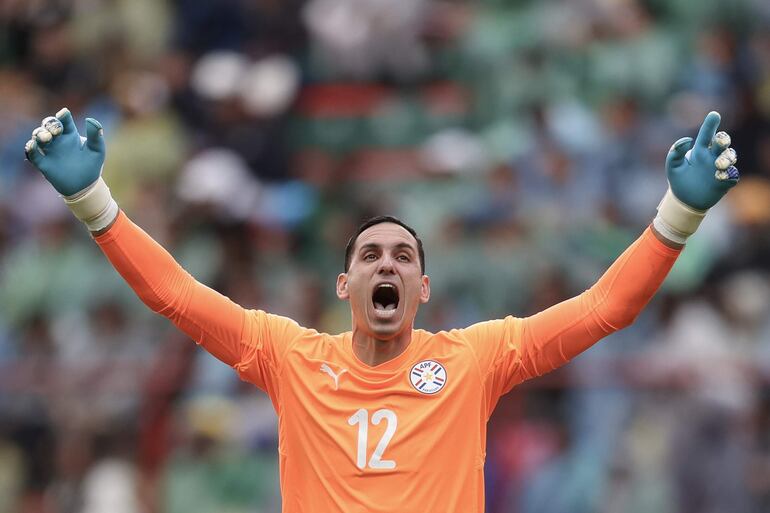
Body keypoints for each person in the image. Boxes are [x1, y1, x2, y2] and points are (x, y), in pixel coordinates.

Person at [23, 108, 738, 512]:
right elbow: (175, 294)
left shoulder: (475, 359)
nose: (387, 263)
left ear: (423, 288)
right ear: (345, 286)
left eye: (403, 256)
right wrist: (94, 203)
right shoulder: (290, 357)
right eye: (370, 255)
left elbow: (605, 307)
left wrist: (678, 216)